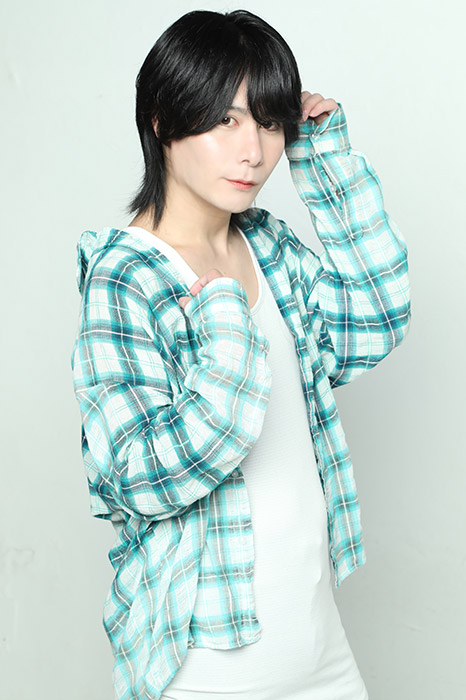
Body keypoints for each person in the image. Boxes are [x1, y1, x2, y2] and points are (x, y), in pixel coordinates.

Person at [70, 8, 411, 700]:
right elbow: (138, 477)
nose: (253, 150)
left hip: (320, 651)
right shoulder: (127, 275)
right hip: (209, 670)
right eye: (224, 120)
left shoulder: (267, 245)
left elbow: (375, 318)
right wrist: (227, 337)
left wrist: (326, 163)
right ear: (164, 121)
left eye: (269, 122)